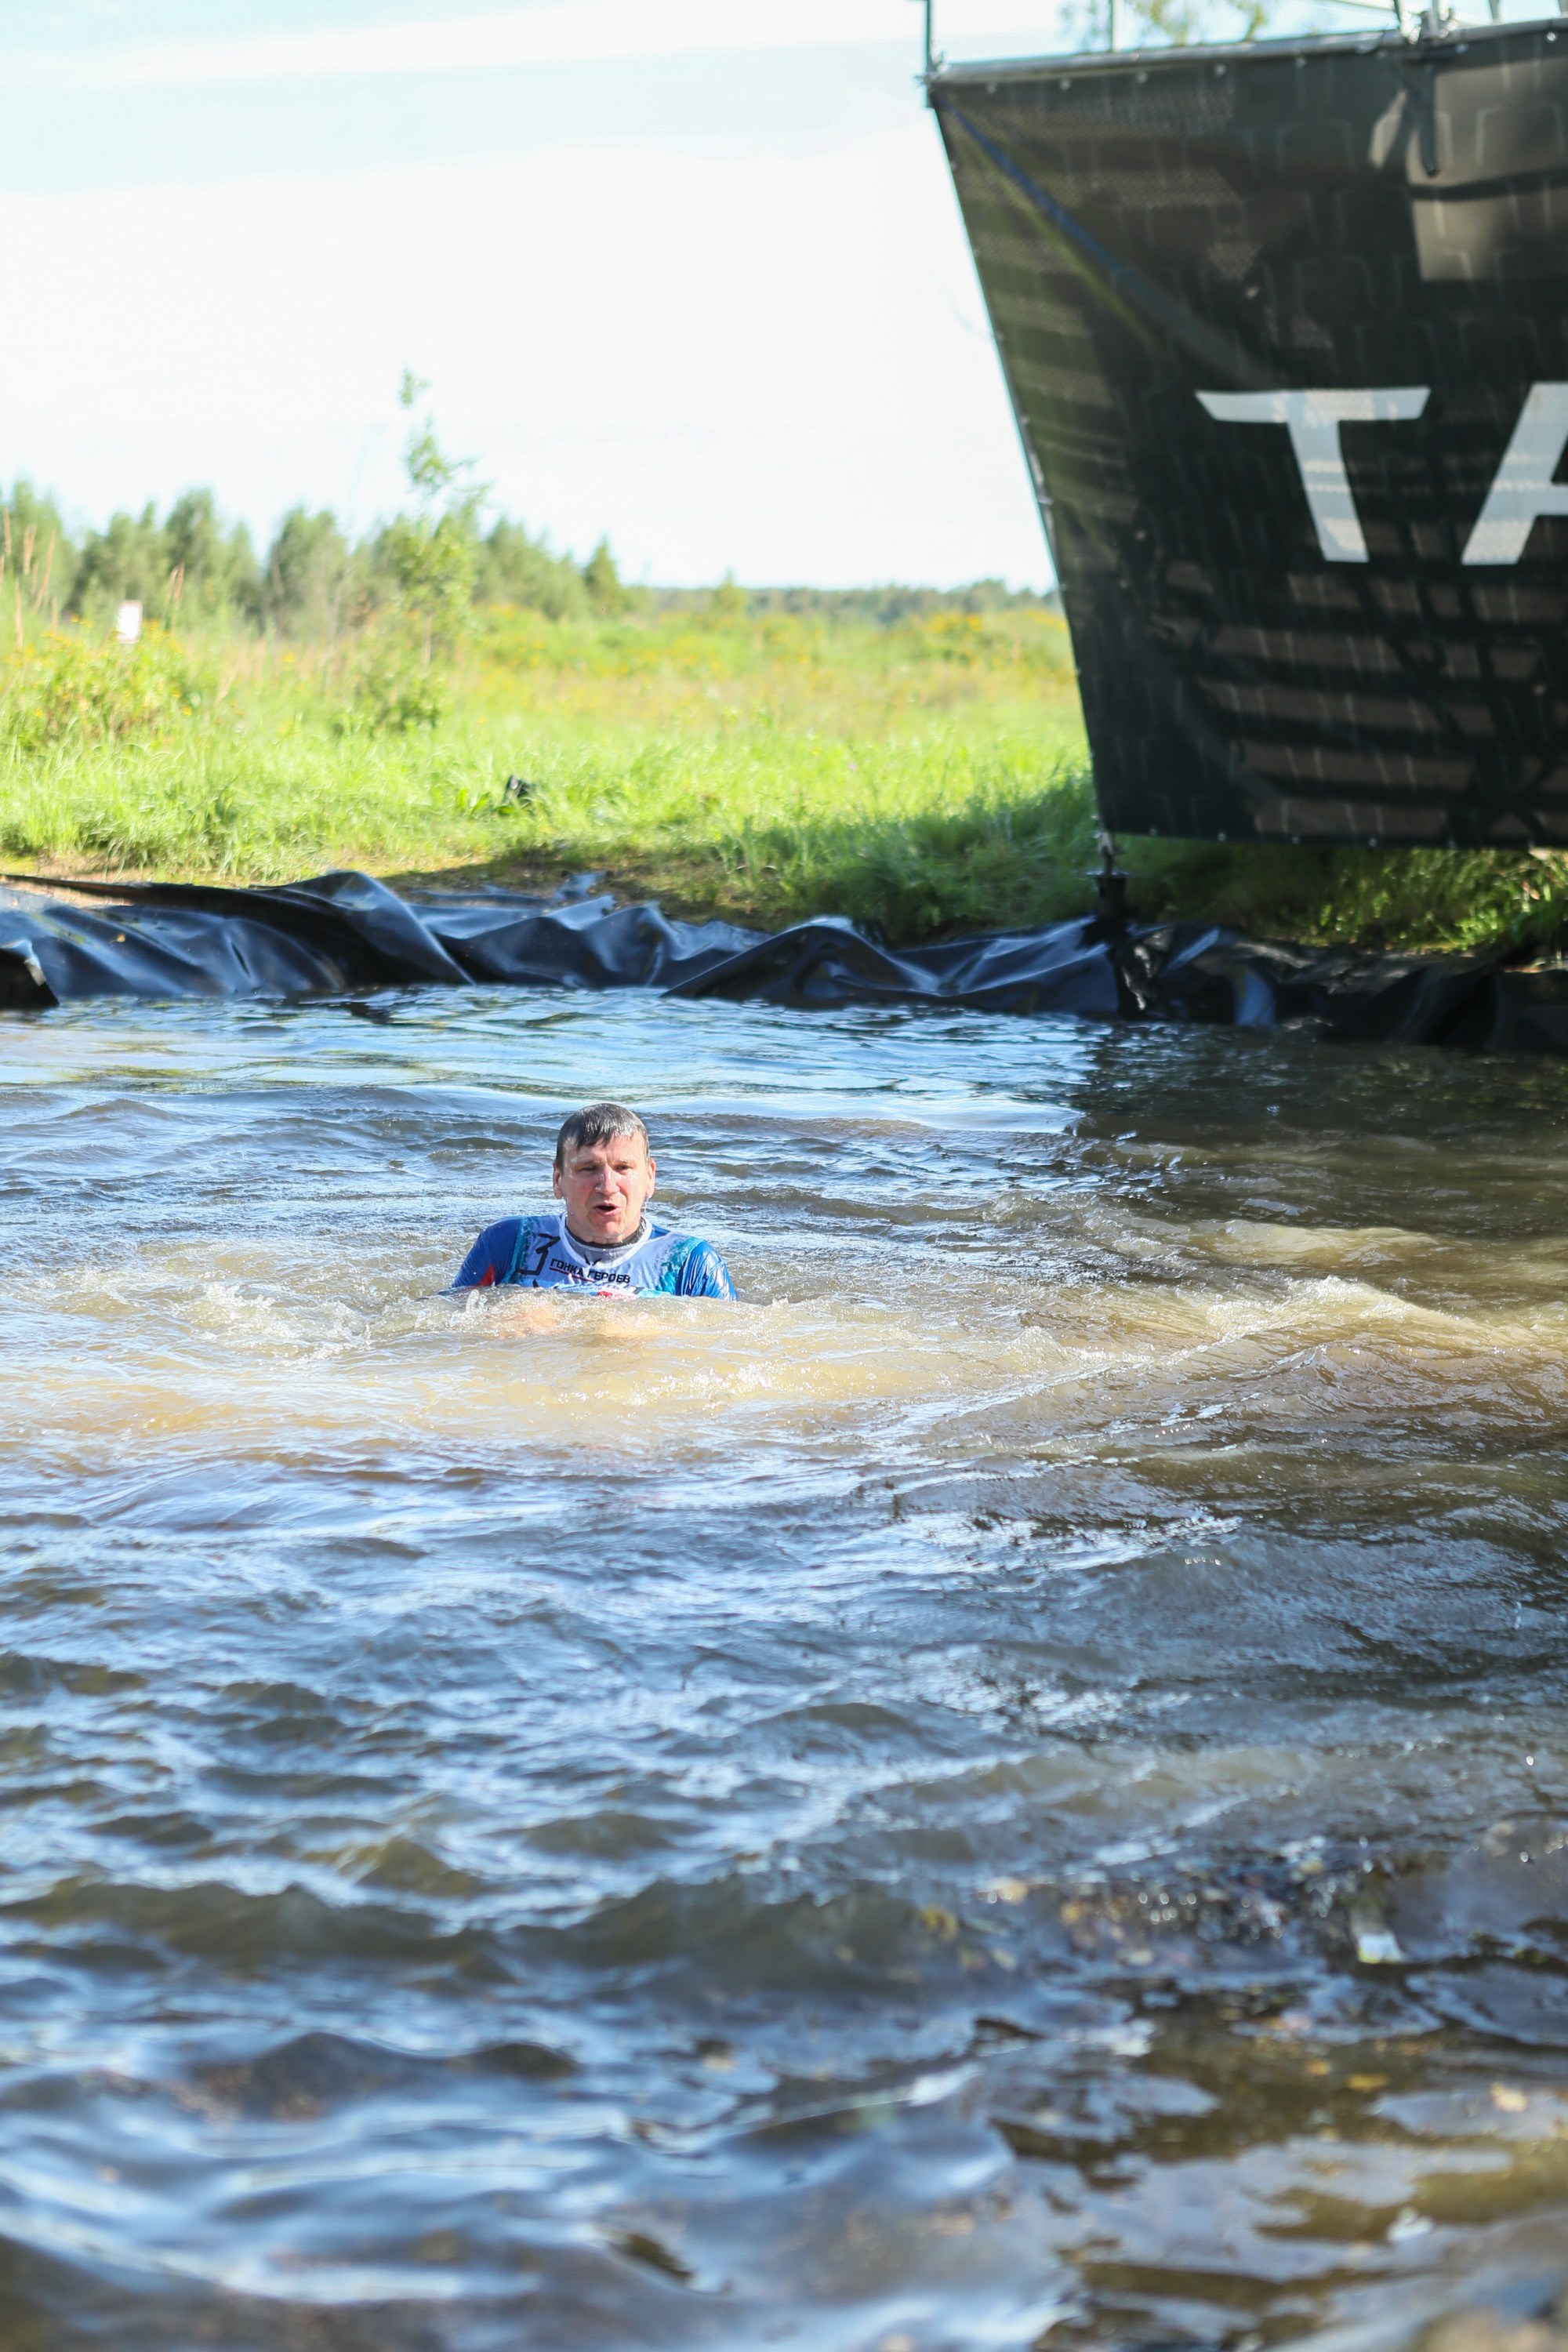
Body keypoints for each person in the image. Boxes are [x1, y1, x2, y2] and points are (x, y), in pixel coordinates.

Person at [453, 1101, 735, 1298]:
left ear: (650, 1177)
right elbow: (445, 1328)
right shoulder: (510, 1243)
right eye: (589, 1169)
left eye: (623, 1168)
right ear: (558, 1179)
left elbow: (729, 1349)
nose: (607, 1186)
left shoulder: (690, 1263)